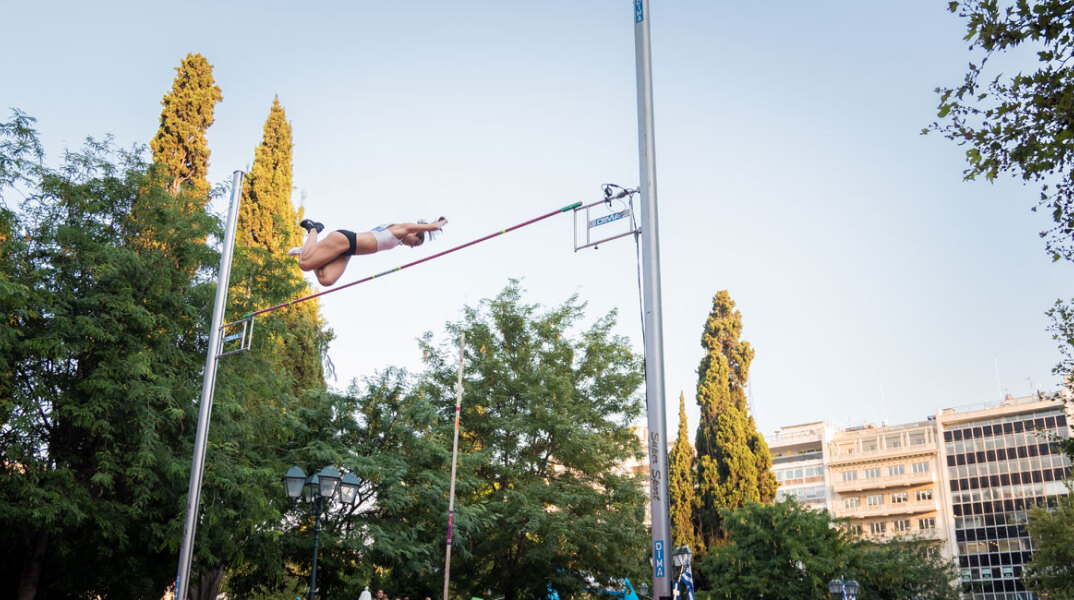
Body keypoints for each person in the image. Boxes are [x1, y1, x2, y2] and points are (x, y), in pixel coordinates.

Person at [289, 217, 448, 286]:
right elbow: (434, 226)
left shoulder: (399, 238)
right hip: (345, 240)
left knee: (326, 280)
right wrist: (443, 221)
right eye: (415, 243)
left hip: (348, 251)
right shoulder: (403, 228)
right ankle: (313, 229)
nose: (412, 246)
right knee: (305, 264)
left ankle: (312, 250)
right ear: (414, 233)